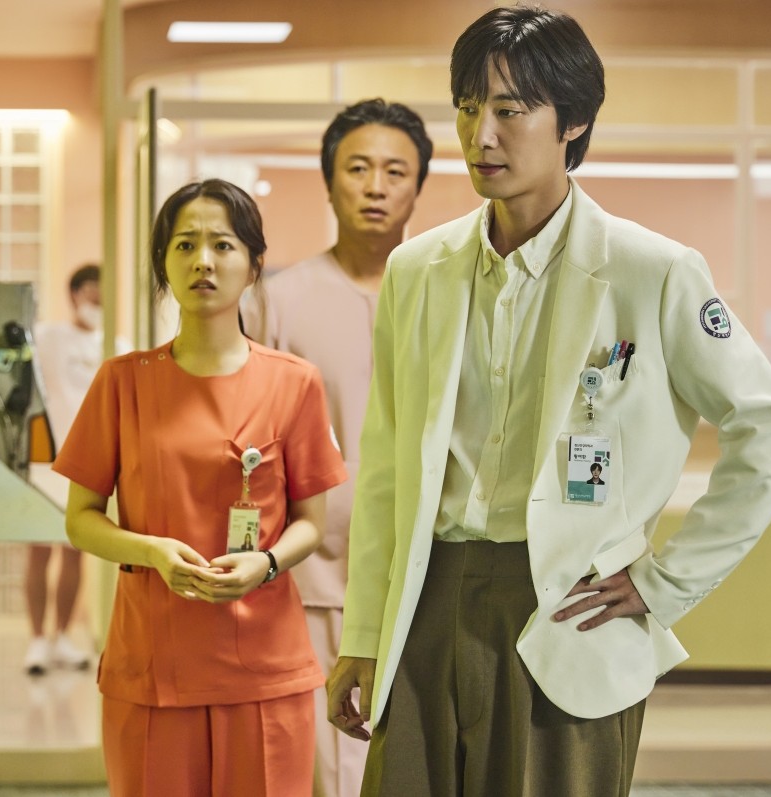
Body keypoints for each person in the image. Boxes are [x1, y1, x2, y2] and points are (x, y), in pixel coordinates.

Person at [326, 7, 771, 796]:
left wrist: (664, 581)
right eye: (469, 106)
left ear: (574, 121)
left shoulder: (651, 270)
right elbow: (384, 468)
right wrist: (366, 634)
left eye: (510, 110)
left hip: (566, 612)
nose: (481, 134)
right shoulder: (417, 271)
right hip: (428, 598)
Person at [54, 178, 347, 796]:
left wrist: (265, 562)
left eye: (223, 244)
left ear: (253, 263)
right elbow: (80, 518)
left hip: (265, 671)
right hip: (153, 668)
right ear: (163, 263)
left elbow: (312, 524)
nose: (203, 261)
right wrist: (152, 551)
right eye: (184, 245)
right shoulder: (122, 383)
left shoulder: (295, 384)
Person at [241, 97, 432, 797]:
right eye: (357, 168)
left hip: (428, 571)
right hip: (311, 576)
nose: (376, 186)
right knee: (326, 770)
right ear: (328, 182)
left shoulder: (446, 294)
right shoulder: (278, 300)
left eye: (394, 171)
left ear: (418, 186)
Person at [25, 264, 105, 675]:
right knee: (38, 548)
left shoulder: (117, 344)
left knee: (76, 551)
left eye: (102, 294)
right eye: (91, 292)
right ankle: (38, 639)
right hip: (47, 459)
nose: (96, 301)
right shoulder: (50, 337)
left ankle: (62, 637)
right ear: (74, 294)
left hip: (88, 462)